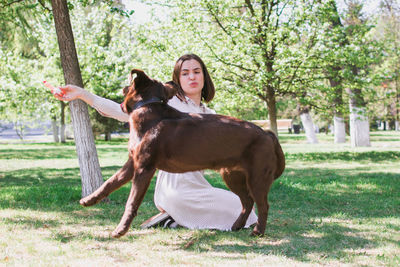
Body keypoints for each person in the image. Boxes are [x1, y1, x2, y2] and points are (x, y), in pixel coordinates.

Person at [53, 54, 258, 230]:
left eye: (196, 71)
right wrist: (83, 94)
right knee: (238, 213)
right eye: (185, 73)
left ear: (204, 76)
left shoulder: (211, 115)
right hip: (173, 190)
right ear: (177, 79)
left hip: (199, 187)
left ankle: (173, 220)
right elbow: (120, 111)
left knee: (245, 211)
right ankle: (175, 214)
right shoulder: (166, 105)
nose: (192, 77)